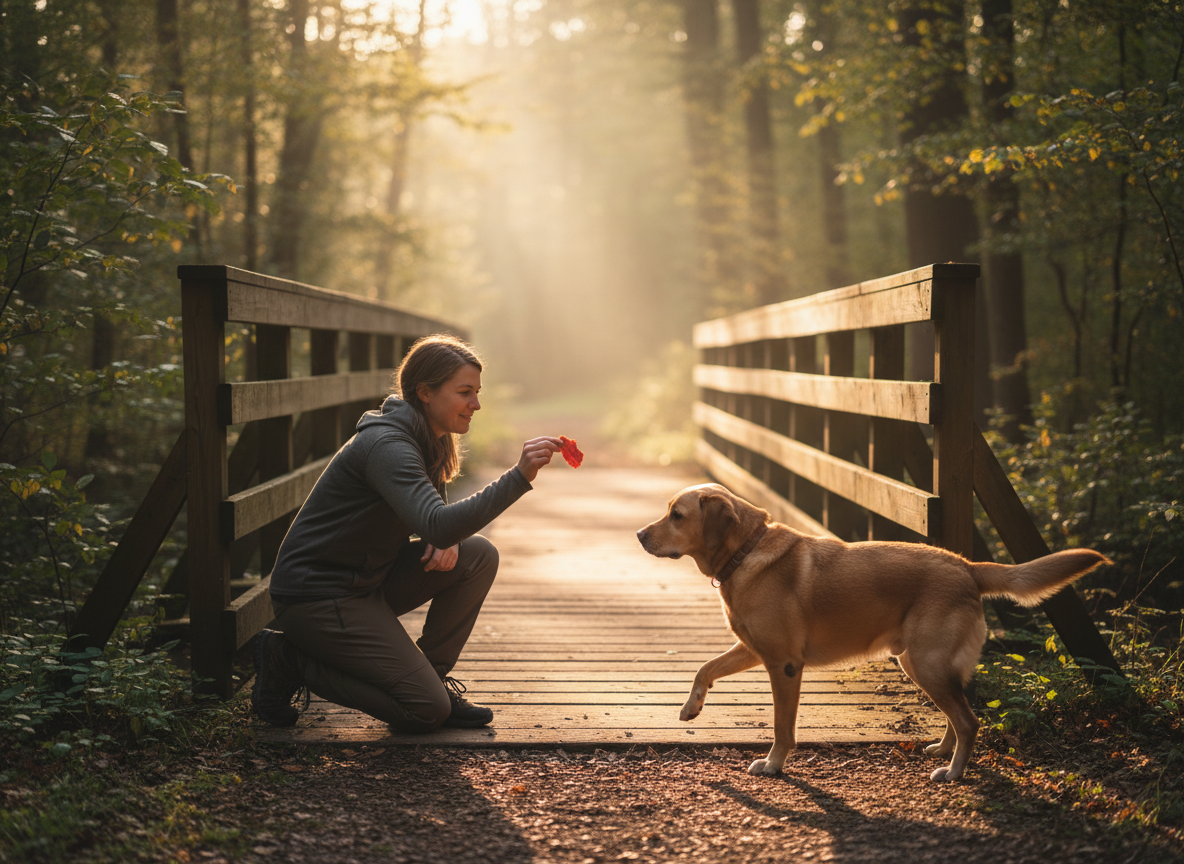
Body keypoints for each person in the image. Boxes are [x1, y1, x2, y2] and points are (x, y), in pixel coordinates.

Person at [250, 334, 562, 731]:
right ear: (425, 393)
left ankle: (433, 675)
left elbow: (433, 520)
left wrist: (442, 536)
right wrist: (517, 477)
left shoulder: (431, 439)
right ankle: (289, 659)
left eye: (477, 392)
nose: (476, 404)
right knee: (425, 711)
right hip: (318, 597)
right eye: (465, 392)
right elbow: (437, 524)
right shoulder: (388, 446)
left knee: (478, 555)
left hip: (366, 583)